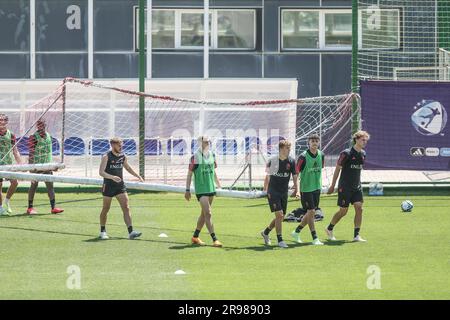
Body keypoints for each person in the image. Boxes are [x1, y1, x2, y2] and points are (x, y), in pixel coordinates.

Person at [326, 130, 370, 242]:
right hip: (345, 187)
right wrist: (332, 185)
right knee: (343, 211)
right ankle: (329, 228)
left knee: (359, 209)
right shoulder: (346, 153)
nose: (364, 142)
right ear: (356, 139)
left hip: (357, 187)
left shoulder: (363, 154)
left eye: (366, 140)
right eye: (362, 140)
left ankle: (356, 235)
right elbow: (337, 169)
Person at [98, 137, 144, 240]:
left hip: (120, 186)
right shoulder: (106, 156)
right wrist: (112, 177)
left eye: (122, 145)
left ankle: (131, 231)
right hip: (108, 186)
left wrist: (137, 176)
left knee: (126, 207)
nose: (121, 147)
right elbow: (101, 172)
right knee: (106, 209)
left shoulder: (123, 156)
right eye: (119, 145)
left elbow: (127, 167)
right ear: (113, 145)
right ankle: (102, 231)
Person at [185, 136, 223, 247]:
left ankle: (195, 237)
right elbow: (189, 174)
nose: (208, 143)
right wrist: (187, 190)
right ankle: (215, 239)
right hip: (201, 189)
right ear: (200, 143)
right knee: (208, 213)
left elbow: (213, 172)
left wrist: (219, 186)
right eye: (206, 142)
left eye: (209, 142)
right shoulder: (194, 157)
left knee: (204, 214)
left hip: (211, 188)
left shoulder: (212, 155)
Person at [260, 140, 298, 248]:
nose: (289, 150)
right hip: (273, 191)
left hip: (283, 192)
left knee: (281, 216)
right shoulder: (272, 161)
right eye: (287, 148)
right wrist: (265, 189)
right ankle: (280, 240)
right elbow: (268, 176)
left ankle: (266, 232)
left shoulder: (291, 161)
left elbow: (295, 176)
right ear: (281, 149)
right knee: (279, 214)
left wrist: (297, 189)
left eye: (289, 148)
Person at [291, 134, 324, 245]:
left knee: (311, 213)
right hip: (306, 189)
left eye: (316, 141)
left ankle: (296, 231)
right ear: (308, 143)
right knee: (311, 211)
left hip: (317, 188)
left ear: (318, 142)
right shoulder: (303, 157)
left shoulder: (321, 155)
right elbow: (296, 173)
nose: (314, 143)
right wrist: (297, 189)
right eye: (312, 141)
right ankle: (315, 238)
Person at [27, 119, 64, 215]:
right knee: (34, 186)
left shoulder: (49, 136)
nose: (41, 126)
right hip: (36, 167)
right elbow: (30, 154)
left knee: (50, 187)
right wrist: (31, 169)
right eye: (39, 124)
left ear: (45, 125)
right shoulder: (33, 137)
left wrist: (52, 166)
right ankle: (30, 207)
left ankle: (53, 207)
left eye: (43, 124)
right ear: (37, 126)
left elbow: (49, 153)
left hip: (47, 166)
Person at [0, 113, 22, 215]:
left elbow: (15, 151)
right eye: (0, 120)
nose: (2, 122)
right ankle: (0, 208)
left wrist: (21, 164)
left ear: (7, 122)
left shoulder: (11, 135)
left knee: (15, 182)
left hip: (8, 163)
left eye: (4, 120)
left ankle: (6, 201)